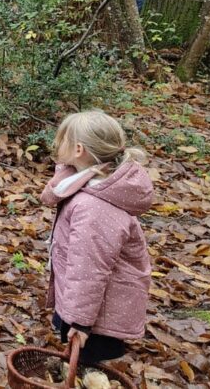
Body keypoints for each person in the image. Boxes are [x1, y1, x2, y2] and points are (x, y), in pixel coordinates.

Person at [39, 110, 153, 369]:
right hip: (88, 303)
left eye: (61, 140)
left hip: (97, 311)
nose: (57, 146)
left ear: (78, 149)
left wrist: (80, 323)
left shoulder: (94, 208)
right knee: (80, 361)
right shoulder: (88, 184)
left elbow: (89, 269)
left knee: (87, 362)